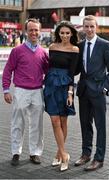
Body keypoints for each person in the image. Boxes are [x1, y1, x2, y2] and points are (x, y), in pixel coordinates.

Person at [2, 18, 49, 166]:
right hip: (21, 91)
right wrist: (6, 90)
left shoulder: (43, 52)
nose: (34, 32)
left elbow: (48, 72)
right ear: (26, 31)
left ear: (39, 32)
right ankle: (16, 151)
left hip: (37, 91)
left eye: (36, 30)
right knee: (18, 123)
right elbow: (8, 70)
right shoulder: (17, 51)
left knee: (37, 124)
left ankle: (35, 153)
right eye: (31, 30)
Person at [74, 15, 109, 171]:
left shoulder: (105, 45)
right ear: (83, 27)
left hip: (99, 92)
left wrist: (105, 88)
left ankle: (99, 158)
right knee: (85, 124)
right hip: (84, 91)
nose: (89, 29)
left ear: (96, 27)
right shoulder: (79, 45)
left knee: (100, 126)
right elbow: (77, 69)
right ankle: (86, 154)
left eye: (92, 26)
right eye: (86, 26)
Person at [44, 21, 79, 171]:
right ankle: (65, 155)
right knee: (54, 120)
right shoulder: (52, 47)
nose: (64, 35)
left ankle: (59, 154)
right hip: (52, 85)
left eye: (67, 33)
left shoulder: (75, 49)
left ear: (71, 34)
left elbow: (72, 73)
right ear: (58, 33)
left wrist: (70, 93)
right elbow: (49, 66)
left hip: (65, 87)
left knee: (63, 121)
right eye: (62, 33)